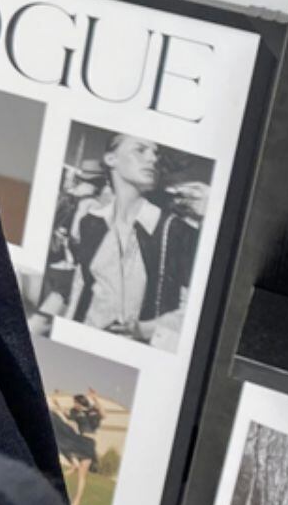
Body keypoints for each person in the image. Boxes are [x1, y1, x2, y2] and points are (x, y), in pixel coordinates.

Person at [31, 134, 201, 351]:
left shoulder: (176, 231)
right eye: (140, 150)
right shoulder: (91, 222)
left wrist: (145, 329)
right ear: (111, 159)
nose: (153, 158)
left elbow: (197, 309)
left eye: (155, 154)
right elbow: (77, 284)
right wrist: (41, 325)